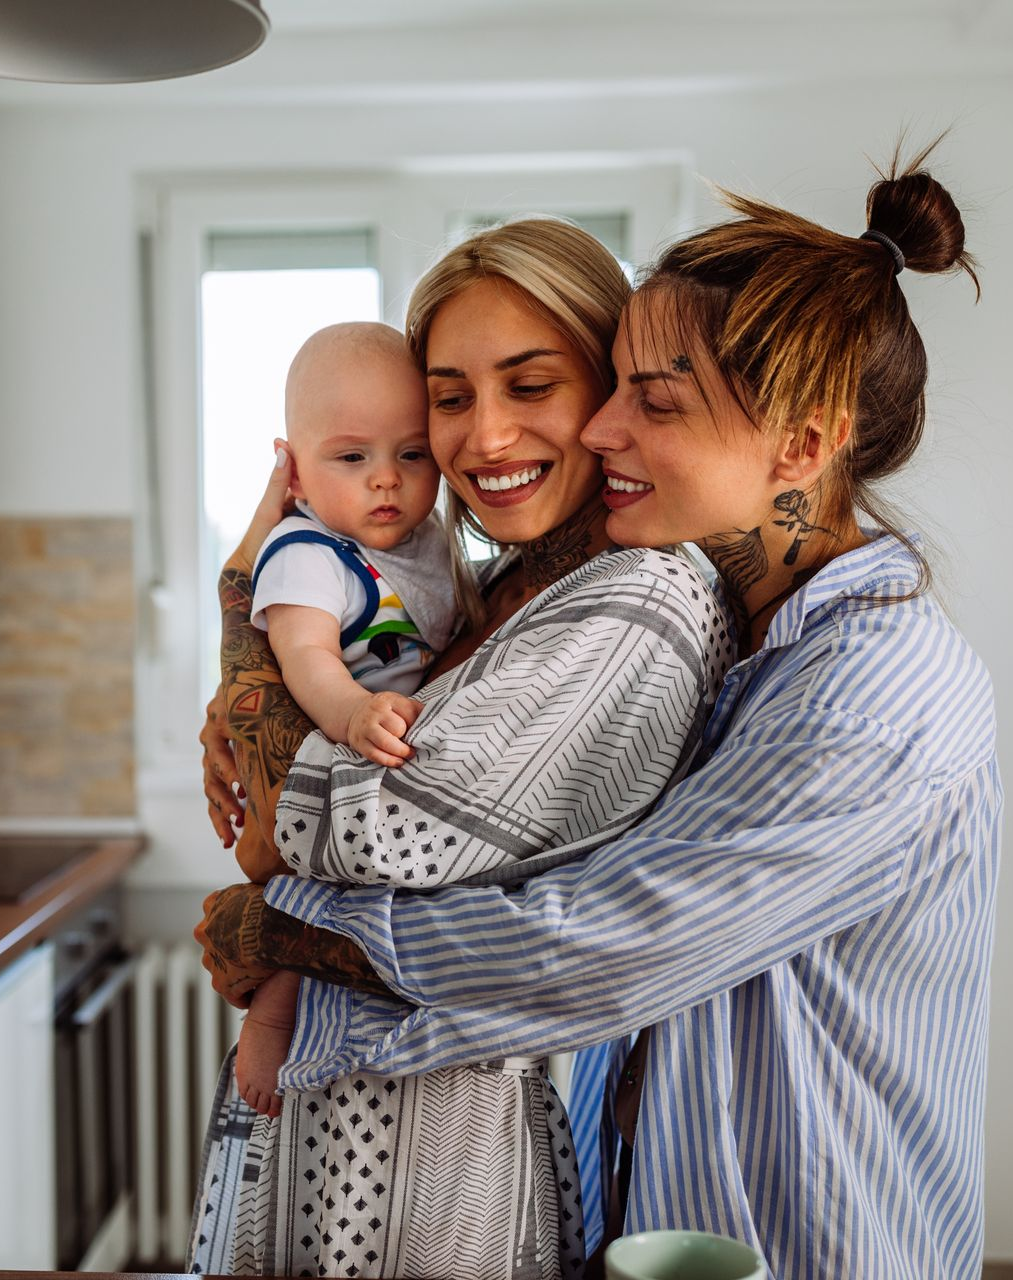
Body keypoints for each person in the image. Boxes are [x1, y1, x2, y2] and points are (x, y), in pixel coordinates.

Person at [199, 145, 1002, 1279]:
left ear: (804, 445)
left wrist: (295, 930)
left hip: (816, 1242)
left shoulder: (873, 692)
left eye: (648, 400)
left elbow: (597, 945)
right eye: (614, 387)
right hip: (668, 1230)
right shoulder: (747, 635)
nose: (603, 429)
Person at [190, 217, 734, 1279]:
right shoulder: (483, 587)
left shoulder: (635, 600)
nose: (484, 438)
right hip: (339, 1124)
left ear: (610, 396)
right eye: (449, 397)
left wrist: (240, 624)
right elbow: (293, 806)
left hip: (430, 1170)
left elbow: (347, 831)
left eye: (532, 385)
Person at [234, 321, 462, 1118]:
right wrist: (352, 711)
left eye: (411, 454)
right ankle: (268, 1016)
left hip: (387, 763)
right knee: (309, 895)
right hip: (323, 763)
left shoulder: (426, 540)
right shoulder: (308, 552)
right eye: (352, 457)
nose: (387, 482)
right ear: (292, 471)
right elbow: (306, 659)